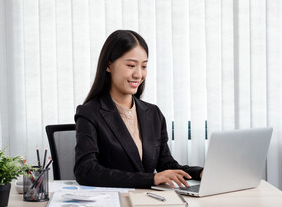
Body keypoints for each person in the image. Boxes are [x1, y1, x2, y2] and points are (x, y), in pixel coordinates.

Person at [74, 30, 203, 188]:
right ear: (109, 65)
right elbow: (86, 171)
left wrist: (200, 173)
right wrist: (151, 179)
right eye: (131, 65)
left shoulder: (153, 113)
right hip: (114, 203)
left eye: (144, 66)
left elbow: (166, 165)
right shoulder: (90, 113)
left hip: (149, 200)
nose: (138, 74)